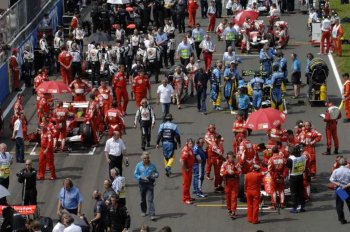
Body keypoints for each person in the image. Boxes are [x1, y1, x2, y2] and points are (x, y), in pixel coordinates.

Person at [134, 152, 159, 221]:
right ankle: (143, 210)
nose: (146, 159)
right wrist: (141, 177)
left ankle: (152, 214)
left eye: (147, 158)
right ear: (142, 158)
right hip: (142, 184)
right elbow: (135, 174)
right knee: (142, 199)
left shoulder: (152, 165)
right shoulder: (139, 165)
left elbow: (157, 173)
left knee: (150, 199)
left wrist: (155, 175)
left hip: (150, 183)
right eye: (144, 158)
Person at [220, 151, 241, 219]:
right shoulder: (224, 164)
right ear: (227, 157)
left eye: (232, 157)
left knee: (234, 197)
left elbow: (240, 172)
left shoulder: (237, 164)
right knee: (228, 197)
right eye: (229, 157)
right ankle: (229, 209)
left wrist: (234, 172)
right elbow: (221, 173)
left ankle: (233, 211)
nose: (231, 158)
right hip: (227, 182)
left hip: (235, 182)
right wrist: (227, 172)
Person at [329, 157, 350, 224]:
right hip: (348, 188)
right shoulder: (349, 171)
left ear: (339, 163)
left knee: (339, 205)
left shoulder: (336, 171)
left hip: (340, 189)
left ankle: (342, 219)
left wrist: (339, 184)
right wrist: (346, 186)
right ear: (346, 163)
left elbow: (331, 179)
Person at [286, 145, 306, 213]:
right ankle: (302, 207)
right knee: (301, 191)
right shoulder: (303, 157)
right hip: (300, 175)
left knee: (294, 193)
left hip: (293, 176)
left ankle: (294, 208)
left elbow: (288, 166)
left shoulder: (291, 158)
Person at [180, 139, 196, 204]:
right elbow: (182, 161)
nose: (191, 144)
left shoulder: (190, 149)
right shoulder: (186, 150)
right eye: (190, 143)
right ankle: (185, 199)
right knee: (186, 184)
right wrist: (186, 168)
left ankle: (188, 197)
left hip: (189, 168)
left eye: (192, 143)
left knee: (189, 183)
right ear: (187, 143)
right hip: (186, 169)